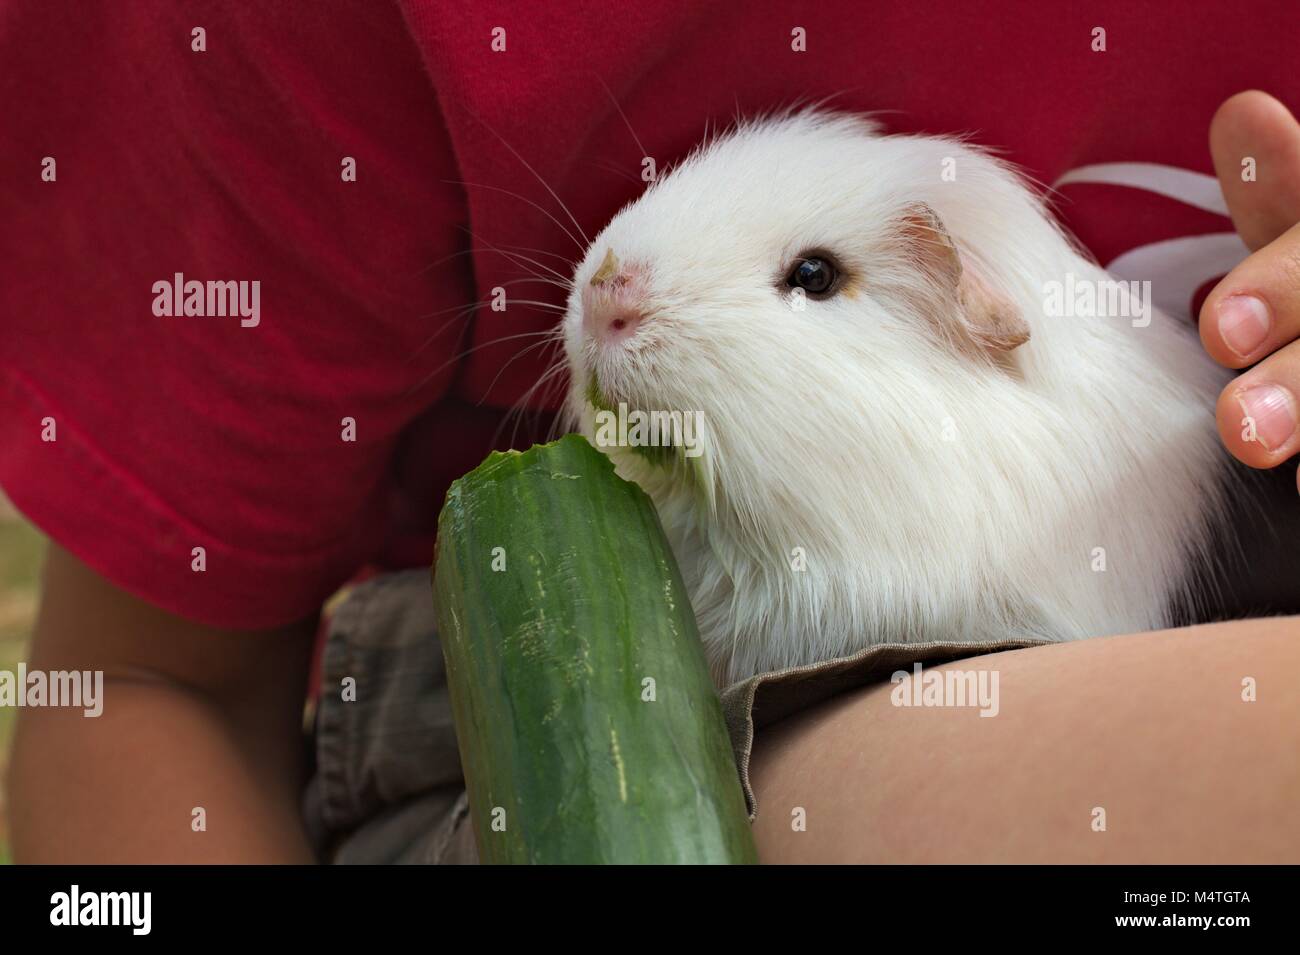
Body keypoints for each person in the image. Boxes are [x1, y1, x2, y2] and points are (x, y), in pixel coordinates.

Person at [1, 1, 1296, 863]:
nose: (610, 291)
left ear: (982, 315)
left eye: (809, 279)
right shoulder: (301, 45)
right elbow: (140, 682)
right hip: (547, 749)